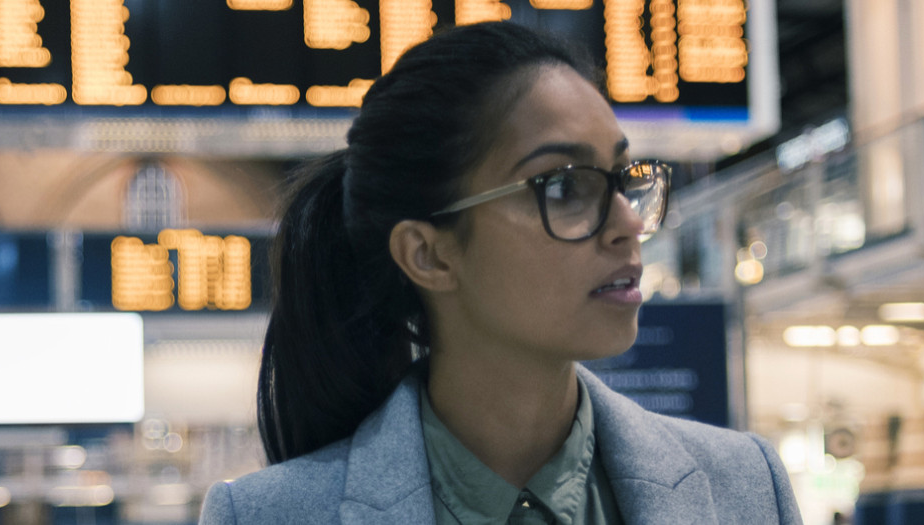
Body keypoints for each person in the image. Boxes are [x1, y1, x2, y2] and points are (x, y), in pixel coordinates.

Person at [199, 22, 801, 524]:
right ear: (429, 255)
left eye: (624, 179)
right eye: (564, 186)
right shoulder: (265, 515)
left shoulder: (744, 490)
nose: (626, 223)